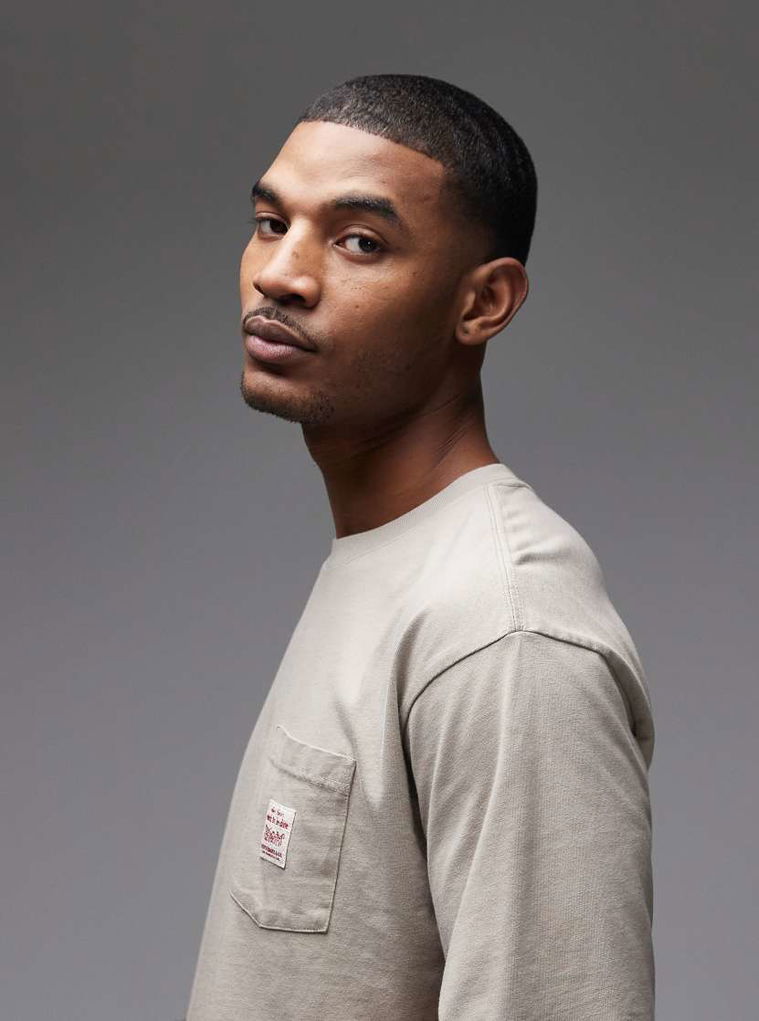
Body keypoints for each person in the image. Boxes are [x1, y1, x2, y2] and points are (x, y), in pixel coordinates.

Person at [185, 73, 655, 1020]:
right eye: (272, 223)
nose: (281, 274)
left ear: (484, 303)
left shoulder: (504, 628)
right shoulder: (391, 558)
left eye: (359, 241)